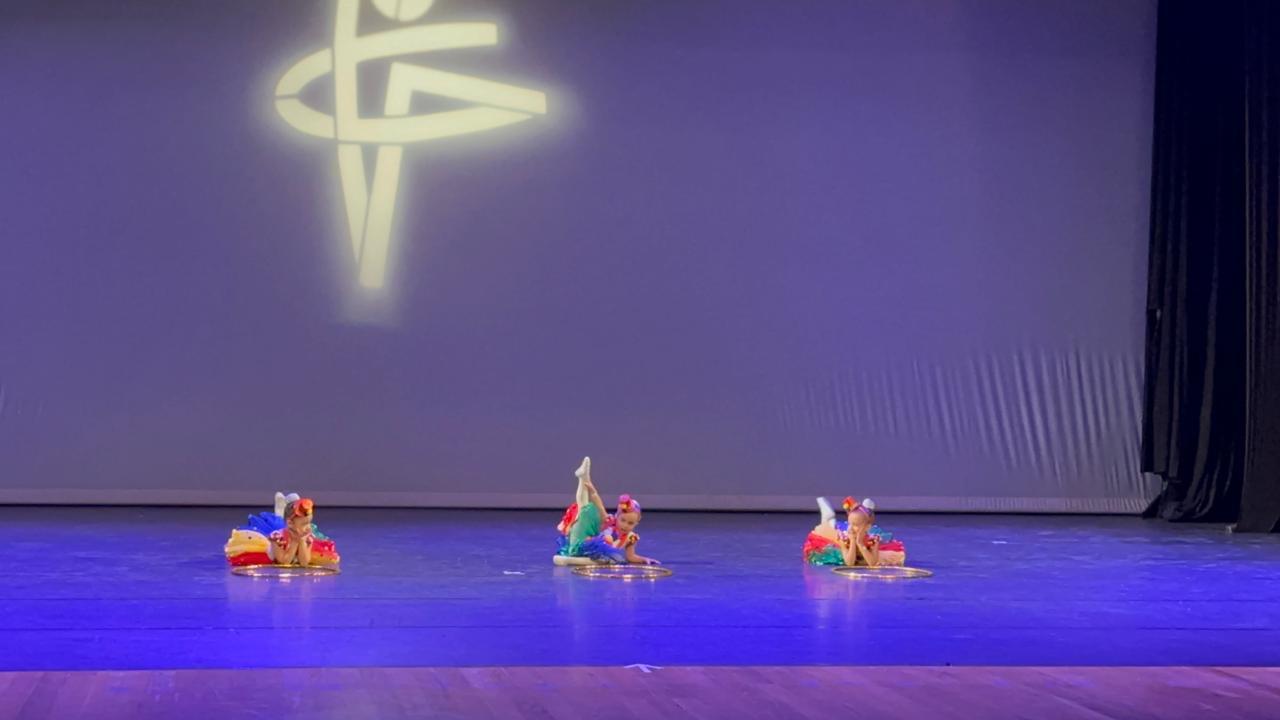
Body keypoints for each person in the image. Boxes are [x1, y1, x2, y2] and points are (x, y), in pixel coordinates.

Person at [554, 457, 659, 566]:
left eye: (630, 523)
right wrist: (593, 491)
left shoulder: (631, 537)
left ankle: (568, 560)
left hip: (595, 555)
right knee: (584, 509)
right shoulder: (609, 522)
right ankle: (584, 477)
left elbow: (630, 556)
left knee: (607, 560)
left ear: (637, 523)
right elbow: (599, 506)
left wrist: (644, 559)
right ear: (617, 516)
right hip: (582, 541)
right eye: (623, 520)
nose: (625, 525)